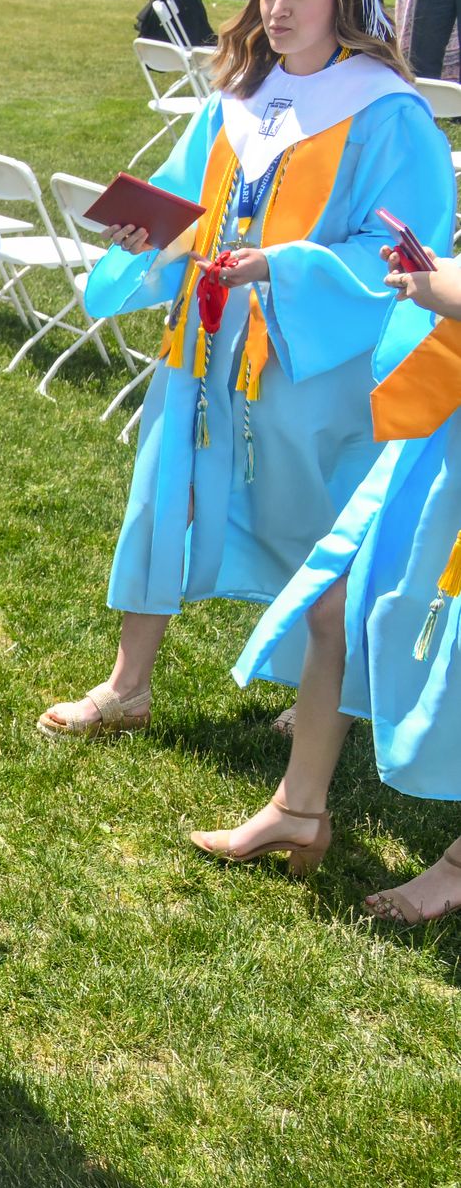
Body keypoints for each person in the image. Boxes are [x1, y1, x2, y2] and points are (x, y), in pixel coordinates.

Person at [41, 0, 449, 744]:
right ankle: (128, 685)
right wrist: (143, 231)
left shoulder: (387, 113)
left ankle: (316, 694)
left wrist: (285, 268)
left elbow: (404, 250)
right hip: (203, 339)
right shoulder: (238, 100)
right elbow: (189, 203)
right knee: (163, 494)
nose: (278, 8)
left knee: (309, 520)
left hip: (308, 361)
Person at [212, 243, 460, 923]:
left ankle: (458, 867)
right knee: (335, 602)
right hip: (441, 435)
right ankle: (297, 807)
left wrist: (446, 288)